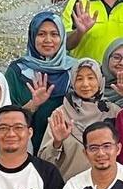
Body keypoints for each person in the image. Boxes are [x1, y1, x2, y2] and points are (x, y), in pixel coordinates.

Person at [39, 59, 120, 181]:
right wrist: (57, 142)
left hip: (107, 185)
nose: (85, 84)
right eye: (79, 79)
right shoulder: (61, 114)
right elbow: (44, 160)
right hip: (68, 186)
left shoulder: (113, 112)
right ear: (72, 82)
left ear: (100, 80)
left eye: (91, 78)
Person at [6, 12, 76, 153]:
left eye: (54, 34)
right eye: (41, 34)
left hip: (67, 150)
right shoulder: (17, 71)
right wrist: (34, 104)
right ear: (32, 37)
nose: (48, 40)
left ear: (62, 37)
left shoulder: (74, 69)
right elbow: (7, 118)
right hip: (26, 148)